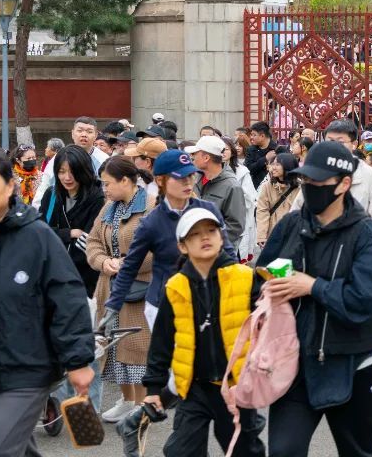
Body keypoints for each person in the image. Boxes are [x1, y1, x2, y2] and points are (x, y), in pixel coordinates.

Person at [255, 140, 372, 457]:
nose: (310, 187)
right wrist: (268, 290)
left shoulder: (368, 235)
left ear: (344, 183)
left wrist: (312, 287)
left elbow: (365, 301)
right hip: (295, 363)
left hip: (354, 364)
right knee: (283, 451)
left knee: (358, 452)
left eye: (319, 182)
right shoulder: (291, 225)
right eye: (306, 180)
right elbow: (259, 277)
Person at [0, 150, 95, 457]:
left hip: (26, 370)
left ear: (10, 186)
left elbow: (68, 297)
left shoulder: (37, 236)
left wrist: (78, 360)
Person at [142, 209, 265, 456]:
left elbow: (268, 324)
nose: (205, 237)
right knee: (180, 452)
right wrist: (154, 390)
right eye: (195, 234)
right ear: (183, 246)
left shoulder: (246, 278)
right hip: (194, 388)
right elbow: (161, 343)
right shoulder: (175, 286)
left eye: (211, 231)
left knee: (245, 451)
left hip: (235, 388)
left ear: (221, 237)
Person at [105, 149, 232, 330]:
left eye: (191, 176)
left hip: (208, 299)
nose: (188, 182)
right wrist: (112, 306)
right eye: (180, 178)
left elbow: (227, 254)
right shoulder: (151, 223)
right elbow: (130, 266)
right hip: (164, 304)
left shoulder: (208, 210)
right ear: (160, 181)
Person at [86, 157, 155, 423]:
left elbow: (158, 249)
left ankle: (143, 402)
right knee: (113, 346)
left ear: (125, 181)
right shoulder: (108, 208)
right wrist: (104, 261)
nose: (104, 189)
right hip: (109, 286)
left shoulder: (150, 207)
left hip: (139, 288)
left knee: (137, 347)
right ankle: (127, 399)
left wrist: (125, 264)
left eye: (108, 183)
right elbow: (93, 242)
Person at [37, 144, 106, 298]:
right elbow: (39, 233)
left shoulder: (97, 199)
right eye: (61, 172)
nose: (67, 178)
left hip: (84, 281)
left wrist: (55, 235)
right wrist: (69, 233)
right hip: (51, 276)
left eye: (73, 172)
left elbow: (89, 243)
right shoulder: (51, 194)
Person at [33, 116, 109, 208]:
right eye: (80, 131)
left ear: (96, 135)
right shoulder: (60, 157)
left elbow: (107, 190)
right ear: (72, 133)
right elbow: (45, 185)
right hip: (63, 208)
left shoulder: (104, 160)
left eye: (89, 132)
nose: (84, 135)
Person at [188, 135, 247, 245]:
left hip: (219, 253)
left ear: (206, 158)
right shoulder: (194, 178)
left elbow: (235, 226)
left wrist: (210, 242)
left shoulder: (232, 186)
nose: (192, 157)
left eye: (195, 153)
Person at [254, 152, 300, 248]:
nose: (273, 167)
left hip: (293, 234)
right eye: (273, 164)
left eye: (277, 164)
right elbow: (262, 211)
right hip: (273, 233)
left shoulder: (300, 187)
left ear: (288, 166)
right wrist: (261, 236)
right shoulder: (267, 186)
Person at [244, 121, 277, 190]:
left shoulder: (277, 149)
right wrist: (265, 159)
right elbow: (248, 169)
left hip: (274, 188)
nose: (251, 137)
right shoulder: (251, 150)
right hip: (256, 188)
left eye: (254, 135)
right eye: (251, 135)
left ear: (262, 136)